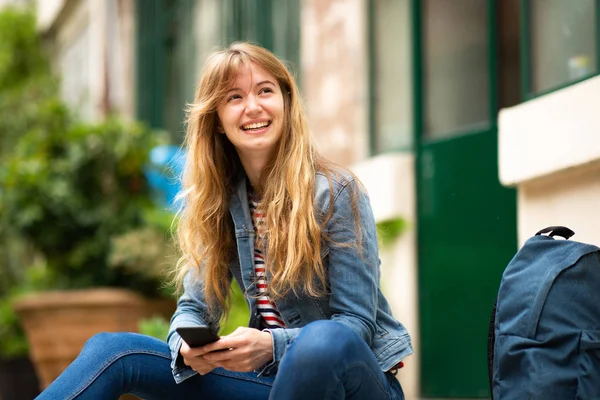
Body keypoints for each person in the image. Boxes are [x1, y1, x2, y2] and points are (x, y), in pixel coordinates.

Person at [37, 42, 413, 400]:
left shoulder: (336, 192)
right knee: (114, 350)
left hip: (353, 386)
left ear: (285, 101)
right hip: (272, 385)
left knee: (322, 339)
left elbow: (356, 327)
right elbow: (194, 308)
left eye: (265, 91)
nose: (252, 107)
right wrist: (184, 346)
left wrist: (271, 345)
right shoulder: (218, 201)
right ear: (217, 120)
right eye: (234, 97)